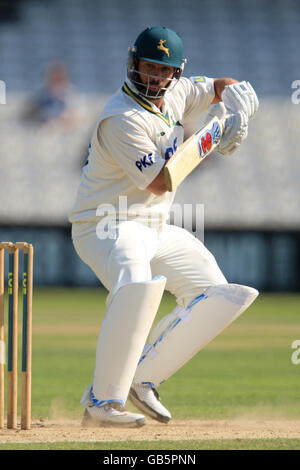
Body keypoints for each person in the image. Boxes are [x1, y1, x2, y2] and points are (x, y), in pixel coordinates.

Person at [69, 26, 259, 428]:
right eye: (148, 67)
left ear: (176, 72)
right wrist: (213, 135)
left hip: (153, 226)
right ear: (132, 63)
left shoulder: (179, 90)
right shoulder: (120, 118)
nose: (156, 77)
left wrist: (238, 93)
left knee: (219, 293)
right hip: (106, 225)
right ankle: (103, 401)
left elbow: (218, 86)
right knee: (138, 288)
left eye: (164, 70)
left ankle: (142, 378)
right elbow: (161, 180)